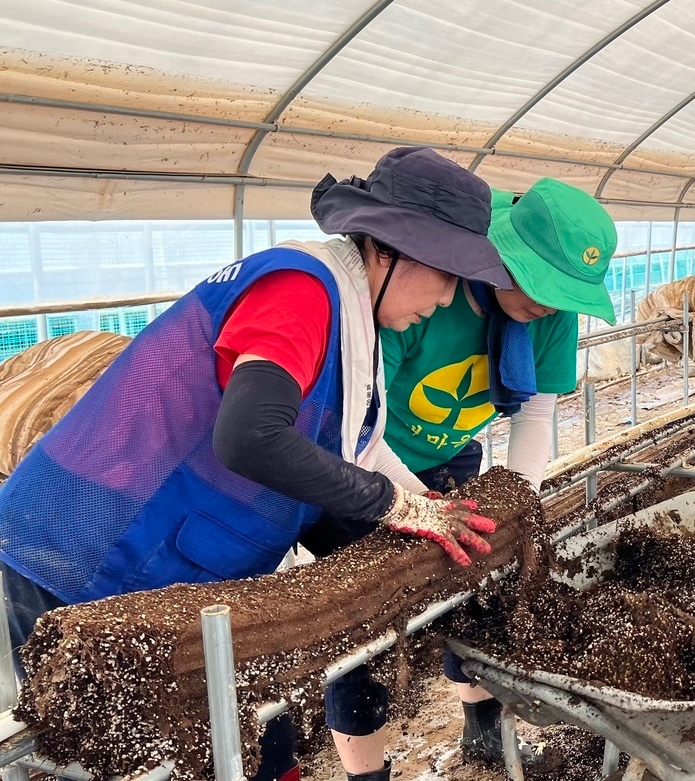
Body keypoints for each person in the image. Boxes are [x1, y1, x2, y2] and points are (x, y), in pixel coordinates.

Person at [0, 146, 510, 781]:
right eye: (449, 274)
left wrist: (428, 508)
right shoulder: (300, 290)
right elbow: (248, 436)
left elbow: (354, 441)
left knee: (257, 726)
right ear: (393, 249)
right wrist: (392, 504)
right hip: (91, 547)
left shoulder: (352, 312)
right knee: (120, 756)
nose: (448, 298)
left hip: (178, 547)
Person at [325, 177, 618, 773]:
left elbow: (536, 407)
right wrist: (417, 506)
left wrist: (517, 503)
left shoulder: (551, 314)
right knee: (364, 625)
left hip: (453, 454)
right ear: (498, 253)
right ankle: (368, 772)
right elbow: (361, 427)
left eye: (564, 293)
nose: (549, 304)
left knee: (477, 589)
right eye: (540, 283)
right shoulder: (426, 285)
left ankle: (482, 730)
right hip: (363, 463)